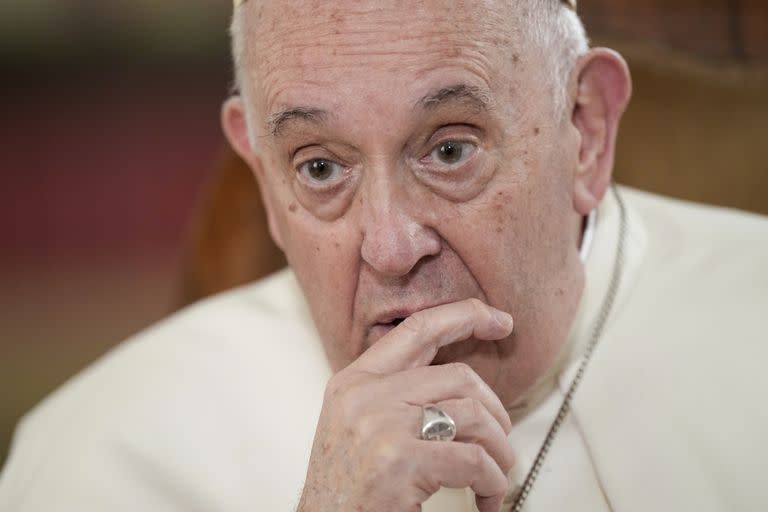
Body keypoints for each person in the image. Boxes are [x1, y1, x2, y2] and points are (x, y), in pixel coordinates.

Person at [2, 1, 767, 510]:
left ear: (587, 126)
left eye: (449, 148)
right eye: (321, 167)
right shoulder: (99, 455)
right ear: (262, 174)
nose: (392, 248)